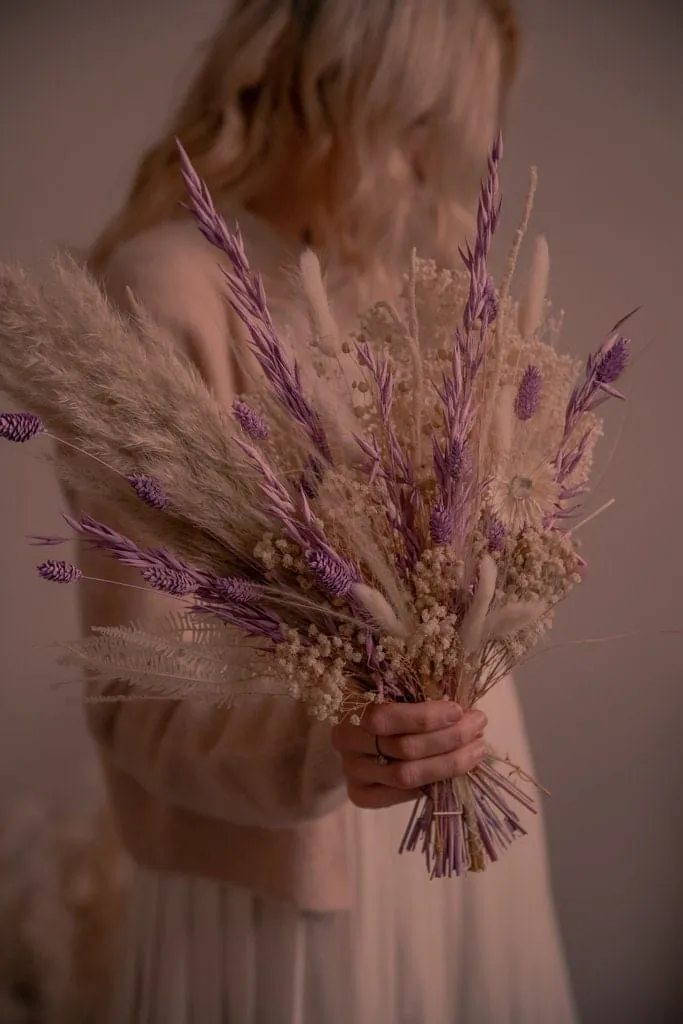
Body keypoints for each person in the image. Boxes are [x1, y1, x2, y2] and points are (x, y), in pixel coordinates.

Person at [76, 1, 578, 1021]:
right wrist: (329, 743)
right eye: (415, 128)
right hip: (297, 895)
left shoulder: (396, 277)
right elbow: (139, 701)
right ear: (329, 91)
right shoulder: (165, 289)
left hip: (466, 837)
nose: (434, 171)